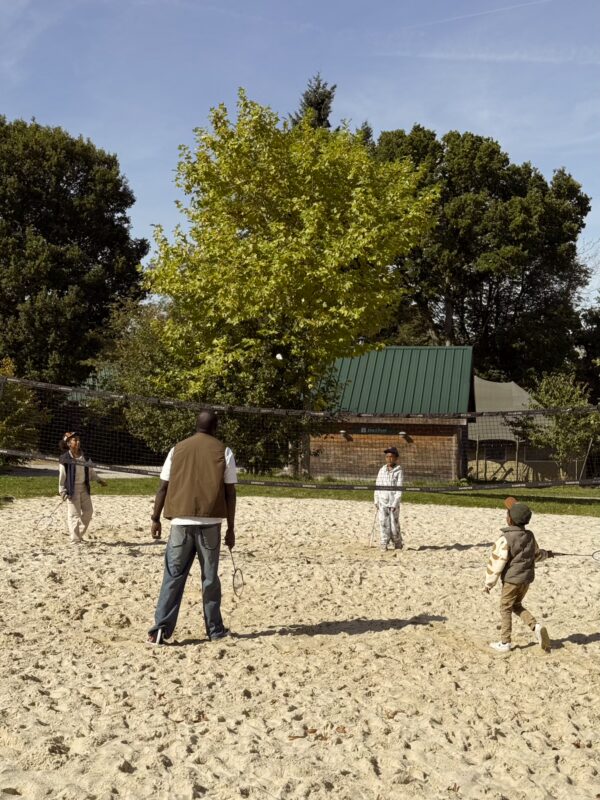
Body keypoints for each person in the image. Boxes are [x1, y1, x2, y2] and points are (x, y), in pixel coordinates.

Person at [147, 410, 237, 646]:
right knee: (210, 578)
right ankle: (215, 630)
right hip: (210, 523)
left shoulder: (177, 449)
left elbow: (163, 487)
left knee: (173, 576)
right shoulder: (224, 451)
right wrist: (231, 528)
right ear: (215, 427)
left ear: (196, 425)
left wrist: (155, 518)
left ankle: (160, 629)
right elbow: (230, 493)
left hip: (180, 522)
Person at [484, 497, 554, 653]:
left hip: (511, 581)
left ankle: (505, 642)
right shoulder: (530, 536)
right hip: (526, 580)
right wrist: (547, 554)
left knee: (505, 608)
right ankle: (536, 626)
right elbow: (536, 554)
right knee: (516, 605)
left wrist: (489, 583)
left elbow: (497, 562)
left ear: (509, 519)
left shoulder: (505, 539)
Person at [58, 431, 107, 543]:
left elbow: (91, 471)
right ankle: (75, 539)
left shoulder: (85, 456)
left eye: (79, 439)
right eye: (75, 440)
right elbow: (62, 476)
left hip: (84, 488)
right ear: (69, 443)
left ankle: (78, 535)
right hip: (72, 489)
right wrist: (62, 491)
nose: (78, 442)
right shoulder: (64, 458)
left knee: (88, 512)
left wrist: (99, 480)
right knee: (74, 515)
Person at [374, 446, 403, 551]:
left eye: (391, 456)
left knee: (394, 524)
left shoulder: (399, 471)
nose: (389, 458)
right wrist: (376, 500)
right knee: (383, 522)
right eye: (387, 456)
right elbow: (377, 485)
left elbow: (399, 489)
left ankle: (397, 543)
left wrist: (395, 503)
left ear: (396, 458)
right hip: (383, 501)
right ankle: (384, 542)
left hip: (393, 502)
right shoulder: (382, 470)